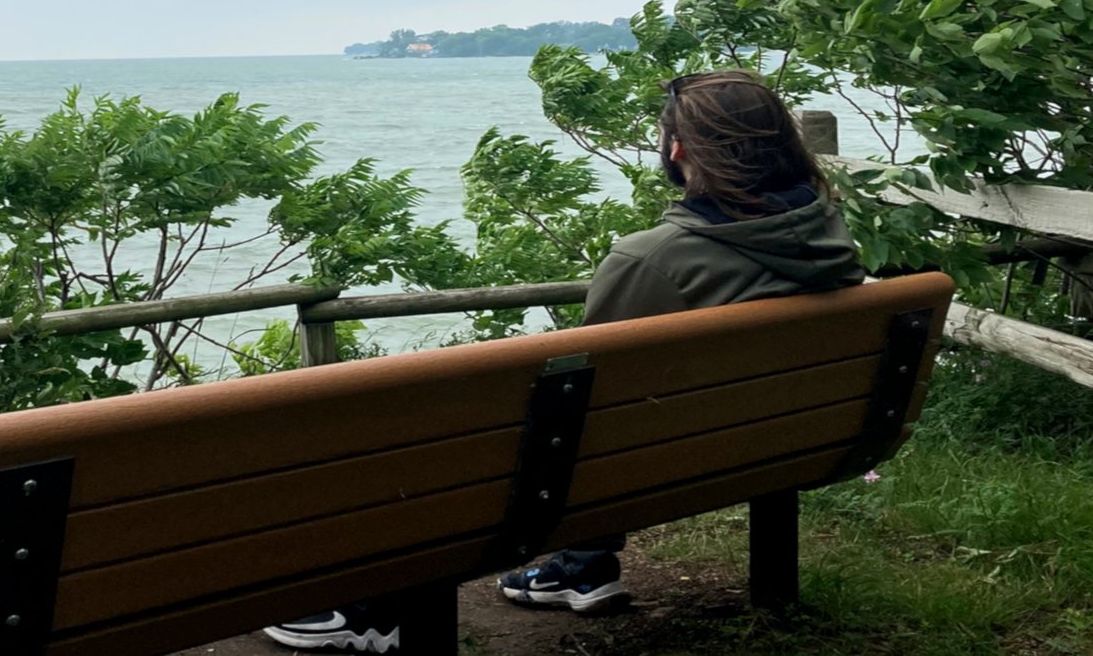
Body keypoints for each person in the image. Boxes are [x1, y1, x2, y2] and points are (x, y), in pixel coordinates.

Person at [265, 70, 866, 652]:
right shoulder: (829, 235)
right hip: (782, 442)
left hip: (626, 467)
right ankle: (581, 567)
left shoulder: (653, 259)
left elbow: (588, 402)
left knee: (422, 443)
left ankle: (372, 613)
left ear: (677, 147)